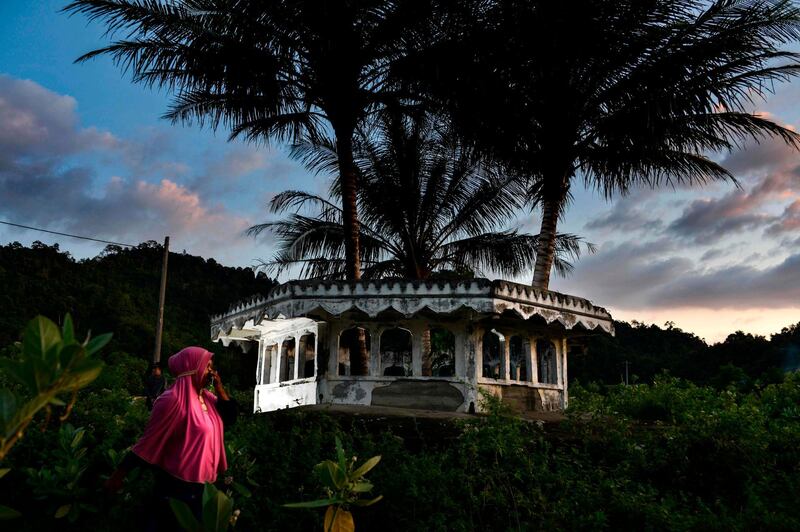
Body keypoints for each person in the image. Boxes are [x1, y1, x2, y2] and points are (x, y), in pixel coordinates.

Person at [106, 346, 238, 530]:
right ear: (193, 368)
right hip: (177, 487)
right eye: (207, 366)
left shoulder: (207, 398)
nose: (211, 371)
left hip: (205, 486)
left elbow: (231, 417)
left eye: (211, 367)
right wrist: (119, 475)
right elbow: (148, 442)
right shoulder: (172, 400)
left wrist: (220, 388)